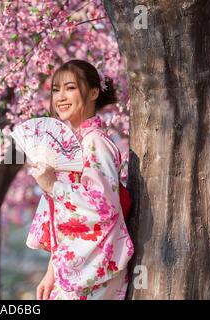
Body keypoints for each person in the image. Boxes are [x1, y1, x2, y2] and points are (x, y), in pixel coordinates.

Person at [26, 59, 134, 300]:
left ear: (94, 92)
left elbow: (103, 206)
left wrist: (53, 186)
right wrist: (51, 272)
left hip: (96, 269)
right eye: (56, 89)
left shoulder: (95, 142)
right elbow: (59, 219)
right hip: (74, 267)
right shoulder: (71, 146)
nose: (61, 97)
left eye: (70, 88)